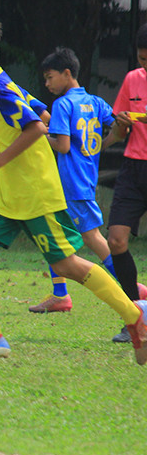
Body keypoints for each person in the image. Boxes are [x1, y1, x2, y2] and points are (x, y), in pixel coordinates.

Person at [0, 15, 147, 366]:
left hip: (35, 193)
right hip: (9, 195)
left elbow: (36, 127)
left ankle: (135, 316)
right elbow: (41, 111)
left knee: (67, 265)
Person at [32, 47, 144, 320]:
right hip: (84, 179)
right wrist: (104, 144)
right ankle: (60, 295)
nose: (47, 84)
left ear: (67, 73)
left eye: (49, 78)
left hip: (71, 183)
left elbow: (63, 145)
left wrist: (39, 133)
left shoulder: (62, 105)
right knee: (54, 234)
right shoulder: (95, 102)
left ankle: (134, 289)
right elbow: (120, 126)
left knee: (91, 238)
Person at [106, 24, 147, 343]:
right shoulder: (133, 79)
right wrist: (117, 129)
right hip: (133, 167)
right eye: (142, 59)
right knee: (116, 241)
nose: (145, 65)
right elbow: (120, 130)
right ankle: (134, 317)